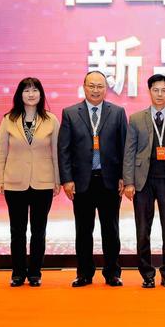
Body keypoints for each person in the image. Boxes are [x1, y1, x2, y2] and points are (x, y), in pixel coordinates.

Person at [58, 71, 127, 287]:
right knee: (83, 230)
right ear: (84, 87)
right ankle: (84, 273)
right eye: (91, 86)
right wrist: (66, 180)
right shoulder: (70, 113)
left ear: (106, 89)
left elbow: (125, 148)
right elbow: (64, 150)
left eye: (100, 86)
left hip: (110, 181)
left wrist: (124, 177)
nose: (95, 90)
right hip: (82, 182)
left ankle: (112, 273)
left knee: (111, 230)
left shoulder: (117, 113)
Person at [123, 74, 165, 288]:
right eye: (155, 90)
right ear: (149, 91)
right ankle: (147, 275)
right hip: (142, 181)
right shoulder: (136, 118)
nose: (159, 94)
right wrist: (129, 182)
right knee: (143, 229)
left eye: (164, 90)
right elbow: (129, 152)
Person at [0, 77, 60, 287]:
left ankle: (35, 273)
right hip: (15, 182)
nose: (31, 94)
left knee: (38, 231)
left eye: (35, 90)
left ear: (41, 94)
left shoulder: (51, 120)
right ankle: (17, 273)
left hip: (43, 182)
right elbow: (1, 151)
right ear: (19, 94)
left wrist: (57, 180)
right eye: (26, 90)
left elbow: (56, 152)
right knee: (17, 231)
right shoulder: (8, 119)